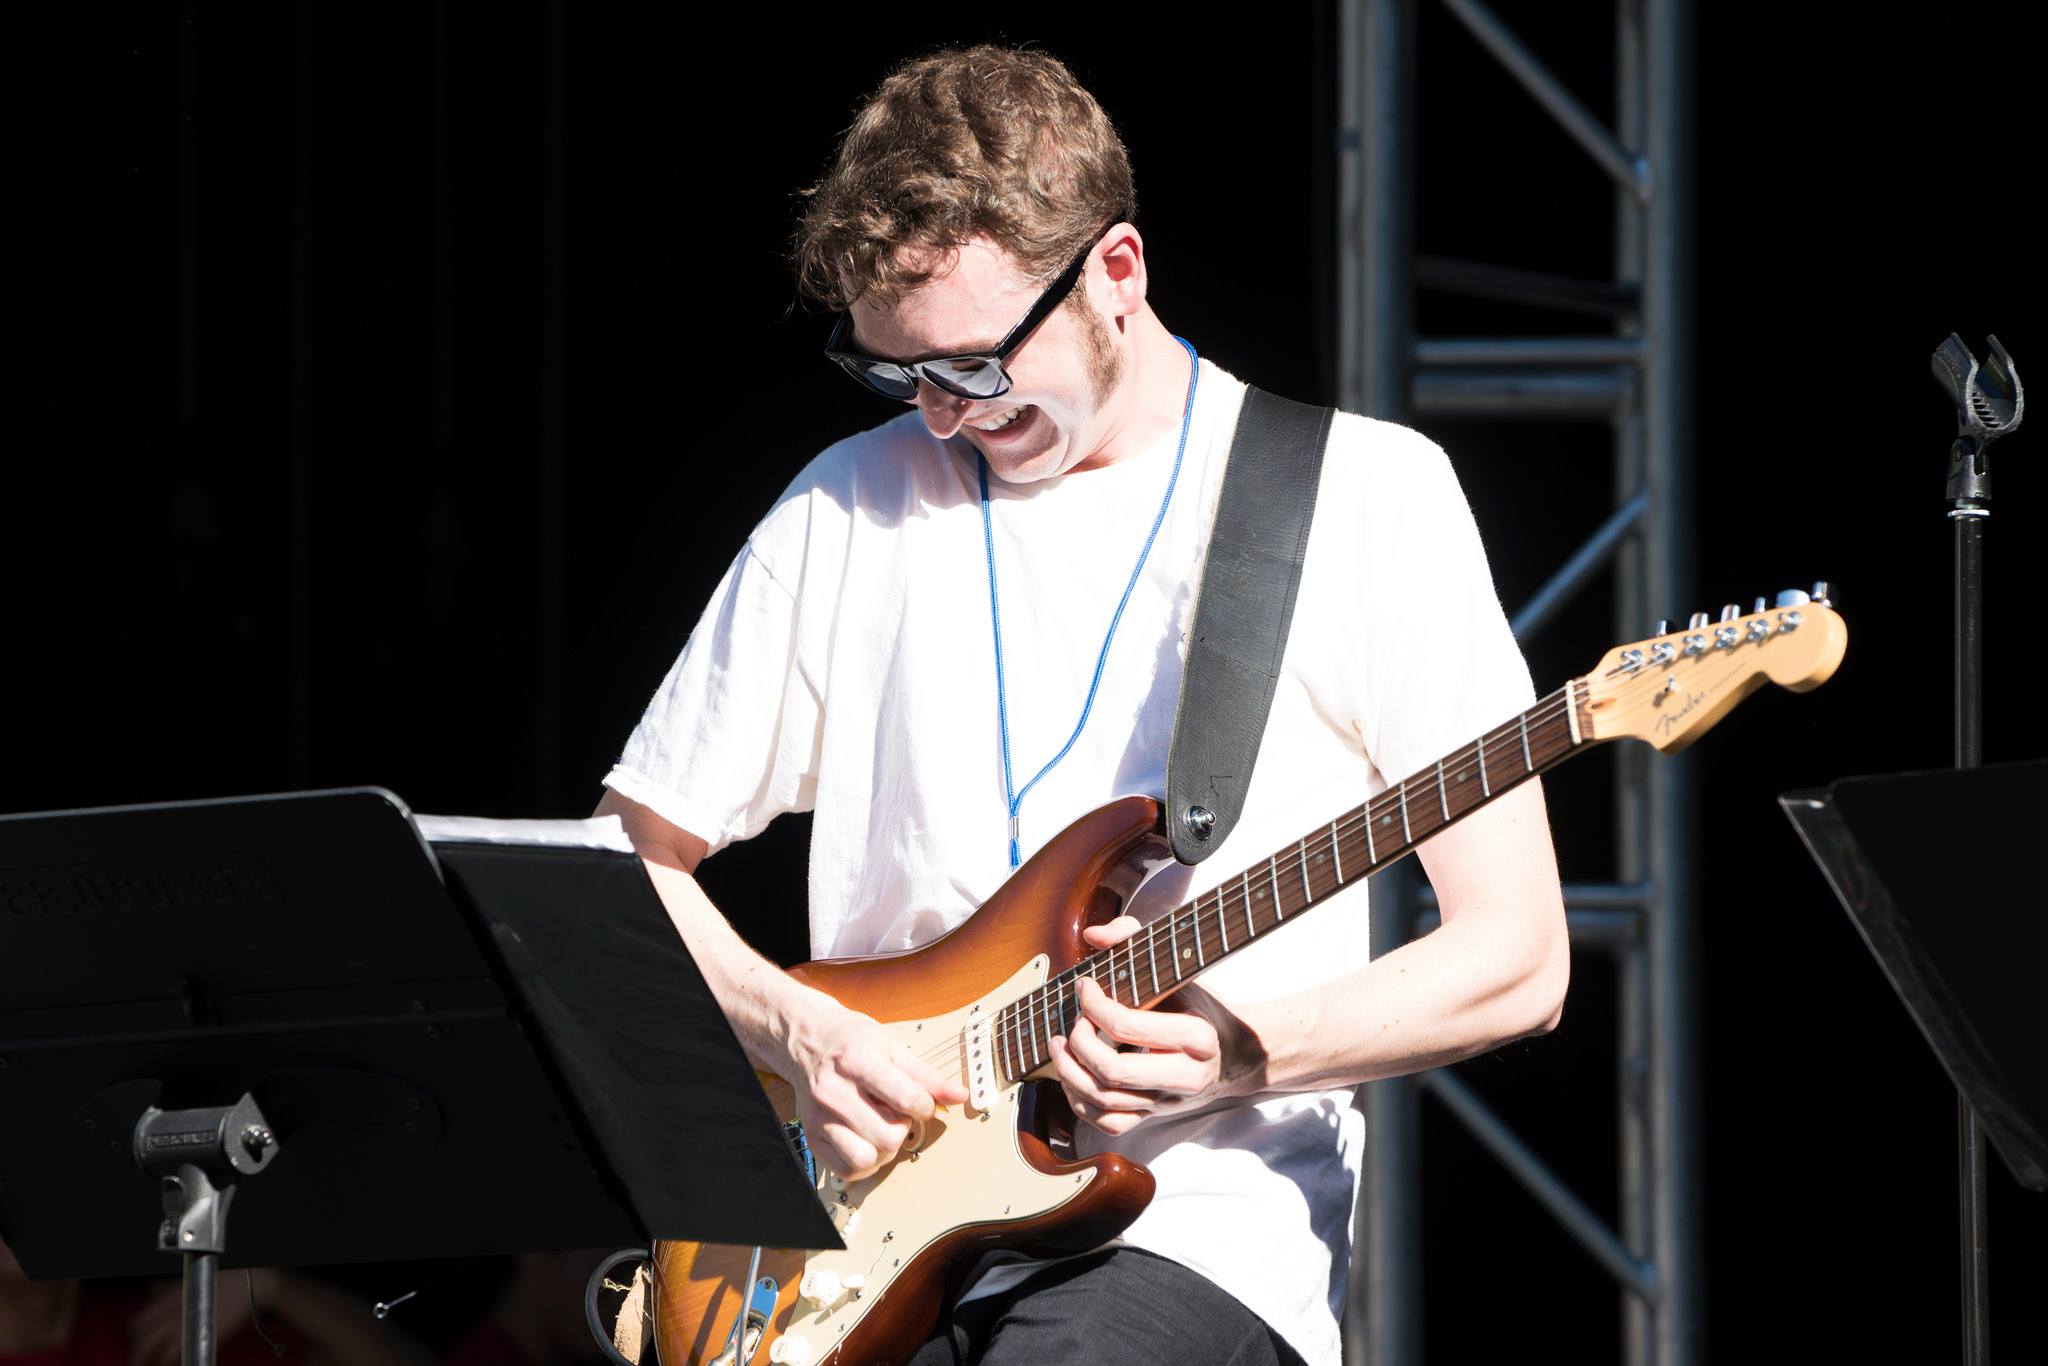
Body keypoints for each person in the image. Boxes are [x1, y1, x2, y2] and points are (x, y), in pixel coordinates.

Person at [595, 45, 1567, 1366]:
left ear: (1117, 270)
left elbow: (1518, 954)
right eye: (897, 375)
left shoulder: (1362, 498)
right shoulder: (848, 501)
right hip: (853, 1229)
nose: (938, 418)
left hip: (1187, 1224)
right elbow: (624, 857)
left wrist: (1241, 1049)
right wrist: (791, 1027)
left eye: (975, 367)